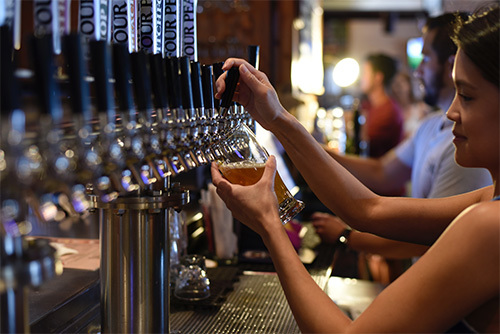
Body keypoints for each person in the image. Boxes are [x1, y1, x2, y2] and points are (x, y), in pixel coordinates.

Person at [212, 4, 499, 333]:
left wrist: (269, 225)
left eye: (467, 96)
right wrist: (278, 120)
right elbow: (367, 209)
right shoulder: (487, 201)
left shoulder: (488, 225)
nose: (451, 113)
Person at [311, 12, 492, 266]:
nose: (417, 70)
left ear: (451, 64)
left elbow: (426, 237)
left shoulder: (464, 148)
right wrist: (314, 149)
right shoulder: (432, 124)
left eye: (426, 57)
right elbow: (382, 171)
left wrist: (345, 235)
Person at [358, 53, 404, 158]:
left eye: (365, 73)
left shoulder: (389, 112)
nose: (361, 78)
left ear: (378, 77)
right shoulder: (367, 105)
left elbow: (363, 140)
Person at [390, 70, 432, 138]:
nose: (399, 87)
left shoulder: (421, 108)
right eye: (396, 83)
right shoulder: (393, 111)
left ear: (409, 85)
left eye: (402, 82)